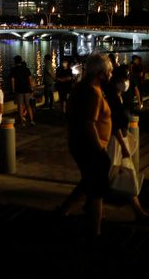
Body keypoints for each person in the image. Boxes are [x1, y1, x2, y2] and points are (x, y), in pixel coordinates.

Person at [57, 54, 113, 239]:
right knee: (96, 189)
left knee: (87, 183)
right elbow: (89, 123)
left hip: (78, 143)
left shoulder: (81, 87)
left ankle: (64, 211)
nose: (111, 73)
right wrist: (100, 150)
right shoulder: (93, 92)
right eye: (110, 70)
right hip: (90, 147)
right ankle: (95, 231)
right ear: (101, 73)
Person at [103, 65, 149, 224]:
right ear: (116, 80)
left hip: (118, 139)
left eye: (126, 79)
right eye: (123, 80)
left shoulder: (118, 96)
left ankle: (138, 211)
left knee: (120, 175)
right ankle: (88, 209)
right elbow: (114, 126)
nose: (126, 83)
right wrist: (124, 145)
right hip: (115, 141)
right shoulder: (113, 98)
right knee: (106, 177)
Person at [9, 55, 35, 126]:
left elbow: (12, 80)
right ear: (21, 61)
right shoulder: (26, 69)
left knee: (20, 106)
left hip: (18, 90)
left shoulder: (13, 70)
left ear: (15, 61)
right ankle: (31, 120)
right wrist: (32, 88)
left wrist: (13, 89)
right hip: (27, 89)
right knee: (28, 105)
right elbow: (30, 79)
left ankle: (22, 122)